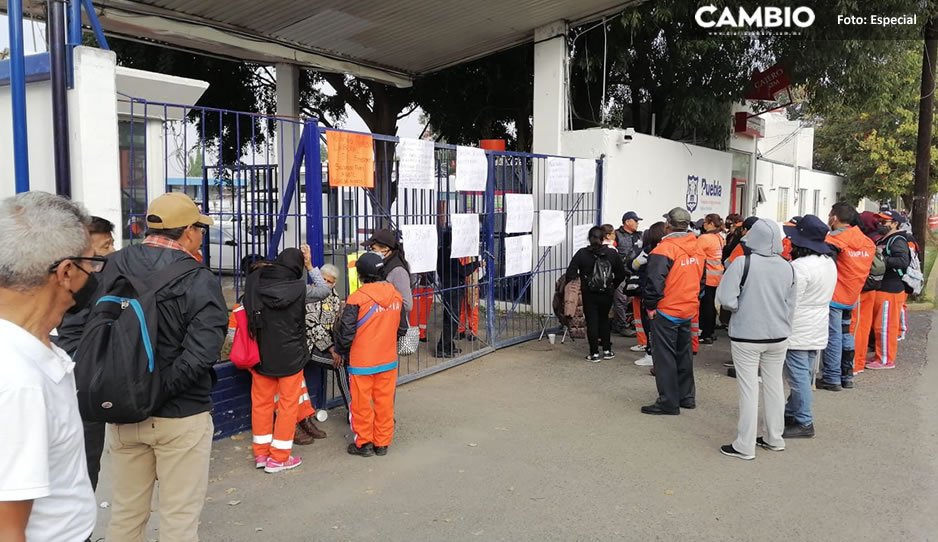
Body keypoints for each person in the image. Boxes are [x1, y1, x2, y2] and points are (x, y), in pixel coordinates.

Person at [95, 192, 227, 541]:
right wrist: (156, 391)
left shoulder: (112, 265)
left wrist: (135, 393)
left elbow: (88, 329)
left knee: (125, 515)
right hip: (181, 415)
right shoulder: (200, 279)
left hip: (123, 410)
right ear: (187, 231)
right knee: (179, 521)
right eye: (200, 227)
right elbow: (201, 354)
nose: (202, 234)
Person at [0, 192, 98, 541]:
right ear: (66, 272)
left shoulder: (31, 349)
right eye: (92, 264)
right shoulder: (19, 381)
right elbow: (7, 529)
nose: (95, 274)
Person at [716, 218, 797, 460]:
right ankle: (774, 438)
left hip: (747, 335)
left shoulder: (743, 262)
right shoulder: (787, 266)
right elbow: (791, 304)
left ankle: (745, 444)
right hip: (779, 334)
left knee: (749, 388)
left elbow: (727, 298)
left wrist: (742, 306)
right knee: (774, 385)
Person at [53, 216, 116, 497]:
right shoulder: (84, 291)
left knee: (87, 465)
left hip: (83, 383)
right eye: (104, 247)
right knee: (81, 466)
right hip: (80, 384)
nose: (112, 252)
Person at [244, 248, 314, 472]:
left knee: (261, 405)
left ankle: (262, 454)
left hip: (260, 352)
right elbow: (321, 292)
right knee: (287, 406)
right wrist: (311, 265)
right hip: (290, 355)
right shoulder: (298, 288)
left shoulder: (255, 281)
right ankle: (280, 457)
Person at [334, 252, 407, 457]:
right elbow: (402, 328)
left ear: (360, 274)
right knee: (384, 403)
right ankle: (382, 444)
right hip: (387, 360)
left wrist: (340, 350)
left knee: (360, 404)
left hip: (361, 362)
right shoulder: (395, 295)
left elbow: (346, 332)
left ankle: (364, 443)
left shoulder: (357, 298)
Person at [641, 208, 704, 414]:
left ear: (668, 225)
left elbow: (654, 282)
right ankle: (687, 397)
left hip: (667, 310)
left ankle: (668, 401)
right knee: (684, 354)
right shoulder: (696, 247)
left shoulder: (664, 249)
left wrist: (650, 306)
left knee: (665, 357)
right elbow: (701, 279)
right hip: (688, 308)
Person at [781, 215, 837, 439]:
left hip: (798, 327)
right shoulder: (828, 262)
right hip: (818, 323)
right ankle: (792, 411)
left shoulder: (799, 267)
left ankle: (804, 421)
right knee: (804, 374)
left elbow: (791, 300)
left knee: (798, 377)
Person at [821, 203, 875, 391]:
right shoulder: (865, 240)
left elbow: (827, 264)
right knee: (846, 333)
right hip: (853, 295)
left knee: (833, 336)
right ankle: (847, 375)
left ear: (834, 218)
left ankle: (832, 377)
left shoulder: (835, 239)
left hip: (835, 294)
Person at [565, 226, 627, 362]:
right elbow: (621, 273)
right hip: (607, 292)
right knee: (604, 319)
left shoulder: (582, 253)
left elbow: (570, 273)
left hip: (589, 293)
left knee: (592, 321)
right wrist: (612, 285)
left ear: (589, 238)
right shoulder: (612, 253)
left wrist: (580, 284)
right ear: (603, 237)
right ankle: (607, 350)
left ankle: (594, 353)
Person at [868, 211, 912, 370]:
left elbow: (902, 261)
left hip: (891, 288)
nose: (880, 224)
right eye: (879, 220)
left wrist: (880, 261)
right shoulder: (884, 239)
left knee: (885, 326)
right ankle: (879, 355)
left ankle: (886, 359)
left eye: (884, 221)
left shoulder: (897, 240)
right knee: (879, 325)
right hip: (883, 288)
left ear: (895, 223)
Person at [435, 227, 480, 358]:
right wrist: (476, 264)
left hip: (448, 286)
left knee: (451, 318)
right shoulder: (450, 254)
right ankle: (442, 347)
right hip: (453, 288)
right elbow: (462, 271)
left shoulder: (441, 251)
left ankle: (449, 345)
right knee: (451, 319)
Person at [629, 221, 668, 367]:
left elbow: (634, 264)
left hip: (651, 290)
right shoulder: (673, 248)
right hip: (669, 293)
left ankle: (651, 354)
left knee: (649, 324)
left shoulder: (650, 250)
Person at [363, 229, 413, 315]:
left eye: (373, 249)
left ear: (386, 248)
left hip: (392, 322)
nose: (371, 252)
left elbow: (407, 305)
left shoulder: (398, 271)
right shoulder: (381, 264)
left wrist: (377, 305)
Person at [696, 213, 725, 345]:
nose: (703, 225)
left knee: (705, 307)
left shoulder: (705, 238)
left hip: (707, 276)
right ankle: (710, 332)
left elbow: (695, 253)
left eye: (706, 223)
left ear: (711, 224)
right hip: (717, 276)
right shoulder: (719, 237)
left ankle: (705, 333)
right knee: (712, 306)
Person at [613, 211, 643, 337]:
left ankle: (629, 323)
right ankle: (621, 325)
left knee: (634, 301)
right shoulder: (616, 235)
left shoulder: (640, 236)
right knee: (620, 300)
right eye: (635, 221)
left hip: (636, 273)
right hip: (621, 273)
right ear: (627, 222)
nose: (637, 223)